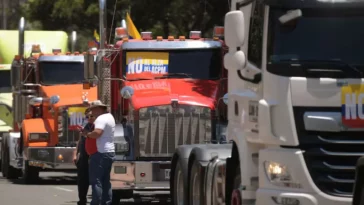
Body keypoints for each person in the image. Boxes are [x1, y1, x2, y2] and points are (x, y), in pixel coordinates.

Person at [86, 100, 116, 205]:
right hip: (110, 151)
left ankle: (96, 202)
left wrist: (88, 134)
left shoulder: (100, 119)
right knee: (106, 181)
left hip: (100, 152)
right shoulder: (110, 117)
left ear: (97, 109)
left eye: (92, 110)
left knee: (96, 181)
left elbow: (97, 133)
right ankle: (106, 202)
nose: (92, 113)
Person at [73, 108, 95, 205]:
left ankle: (96, 199)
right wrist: (75, 154)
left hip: (93, 155)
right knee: (82, 179)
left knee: (95, 179)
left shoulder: (97, 127)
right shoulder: (85, 126)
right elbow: (79, 141)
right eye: (87, 116)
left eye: (91, 116)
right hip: (83, 155)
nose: (89, 118)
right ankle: (82, 199)